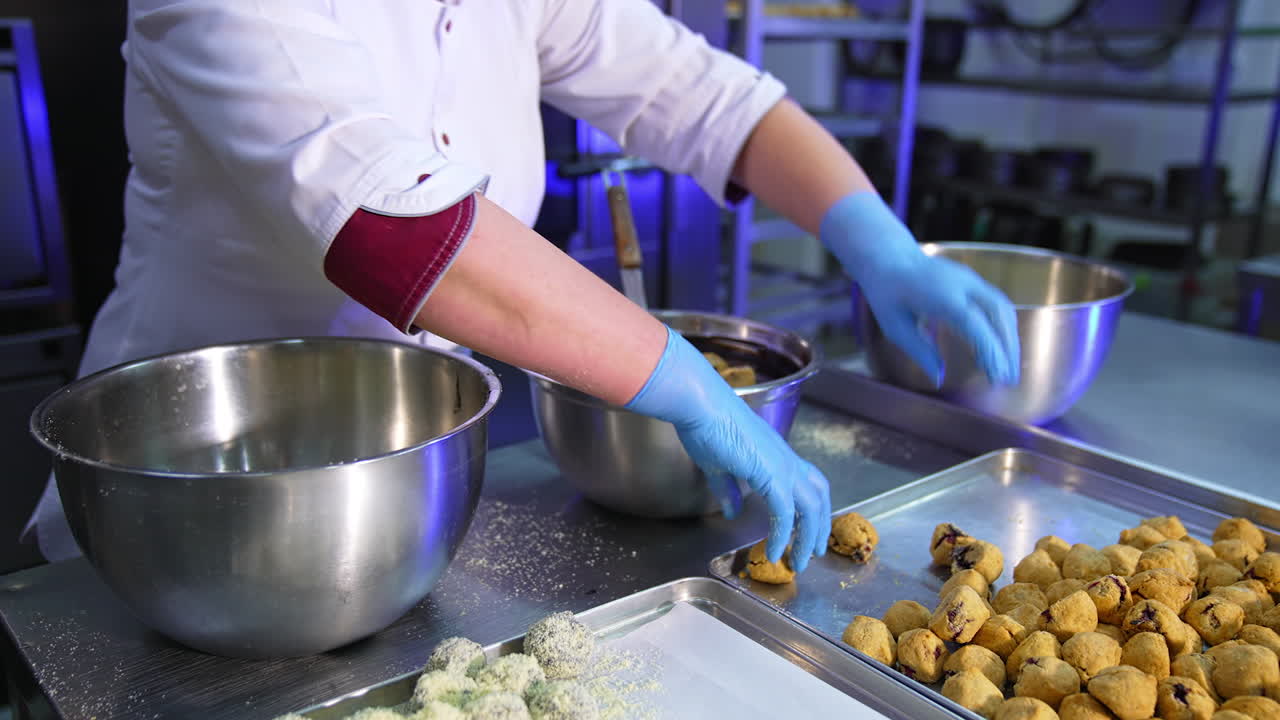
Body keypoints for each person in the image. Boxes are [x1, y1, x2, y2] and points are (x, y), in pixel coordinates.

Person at [25, 0, 1020, 573]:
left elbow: (698, 95)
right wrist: (676, 374)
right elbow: (387, 223)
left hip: (393, 506)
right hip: (177, 503)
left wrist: (875, 239)